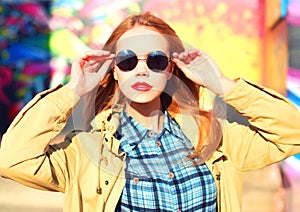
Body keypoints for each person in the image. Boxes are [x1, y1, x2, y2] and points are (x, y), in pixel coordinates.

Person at [0, 11, 299, 212]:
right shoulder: (85, 151)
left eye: (155, 60)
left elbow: (292, 132)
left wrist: (223, 85)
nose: (141, 71)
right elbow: (12, 160)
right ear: (114, 70)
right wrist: (72, 91)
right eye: (127, 60)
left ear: (171, 69)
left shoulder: (215, 137)